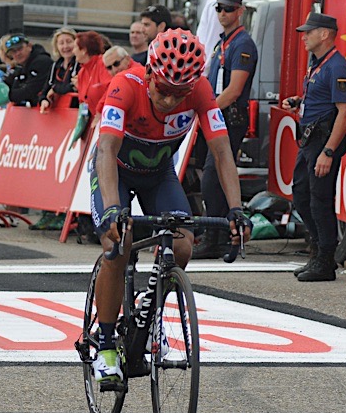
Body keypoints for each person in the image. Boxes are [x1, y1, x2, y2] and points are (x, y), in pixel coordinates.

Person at [89, 28, 251, 384]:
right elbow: (107, 150)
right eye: (163, 89)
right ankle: (106, 344)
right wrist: (114, 208)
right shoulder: (124, 85)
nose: (168, 100)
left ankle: (149, 315)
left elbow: (222, 151)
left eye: (179, 94)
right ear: (149, 72)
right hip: (115, 170)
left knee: (181, 246)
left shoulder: (201, 91)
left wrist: (236, 209)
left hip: (158, 174)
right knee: (118, 243)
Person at [280, 11, 346, 282]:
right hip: (310, 141)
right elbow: (322, 98)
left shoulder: (337, 67)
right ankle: (318, 251)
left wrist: (328, 152)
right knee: (301, 195)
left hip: (323, 142)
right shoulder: (318, 63)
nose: (304, 37)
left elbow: (344, 113)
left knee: (320, 200)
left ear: (324, 34)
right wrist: (299, 102)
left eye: (309, 32)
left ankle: (325, 261)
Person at [194, 0, 258, 259]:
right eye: (219, 8)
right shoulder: (223, 42)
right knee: (209, 176)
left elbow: (233, 91)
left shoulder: (242, 44)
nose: (222, 13)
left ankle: (216, 236)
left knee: (214, 176)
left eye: (228, 9)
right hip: (217, 115)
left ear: (240, 11)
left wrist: (204, 112)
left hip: (228, 118)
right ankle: (216, 234)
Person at [2, 34, 53, 107]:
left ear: (29, 46)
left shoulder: (42, 62)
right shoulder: (21, 66)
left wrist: (6, 95)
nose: (17, 54)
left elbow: (31, 91)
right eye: (13, 52)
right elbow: (8, 83)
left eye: (20, 49)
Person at [39, 27, 79, 113]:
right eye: (61, 43)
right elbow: (45, 90)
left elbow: (74, 87)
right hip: (57, 113)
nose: (65, 46)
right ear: (56, 47)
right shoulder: (55, 66)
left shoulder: (80, 64)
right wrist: (44, 100)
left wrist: (55, 89)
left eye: (69, 42)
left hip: (74, 111)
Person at [72, 30, 112, 114]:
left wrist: (99, 112)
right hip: (94, 117)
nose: (73, 51)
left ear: (84, 50)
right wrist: (82, 122)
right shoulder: (82, 72)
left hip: (108, 115)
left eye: (75, 47)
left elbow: (111, 90)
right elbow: (83, 102)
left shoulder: (103, 64)